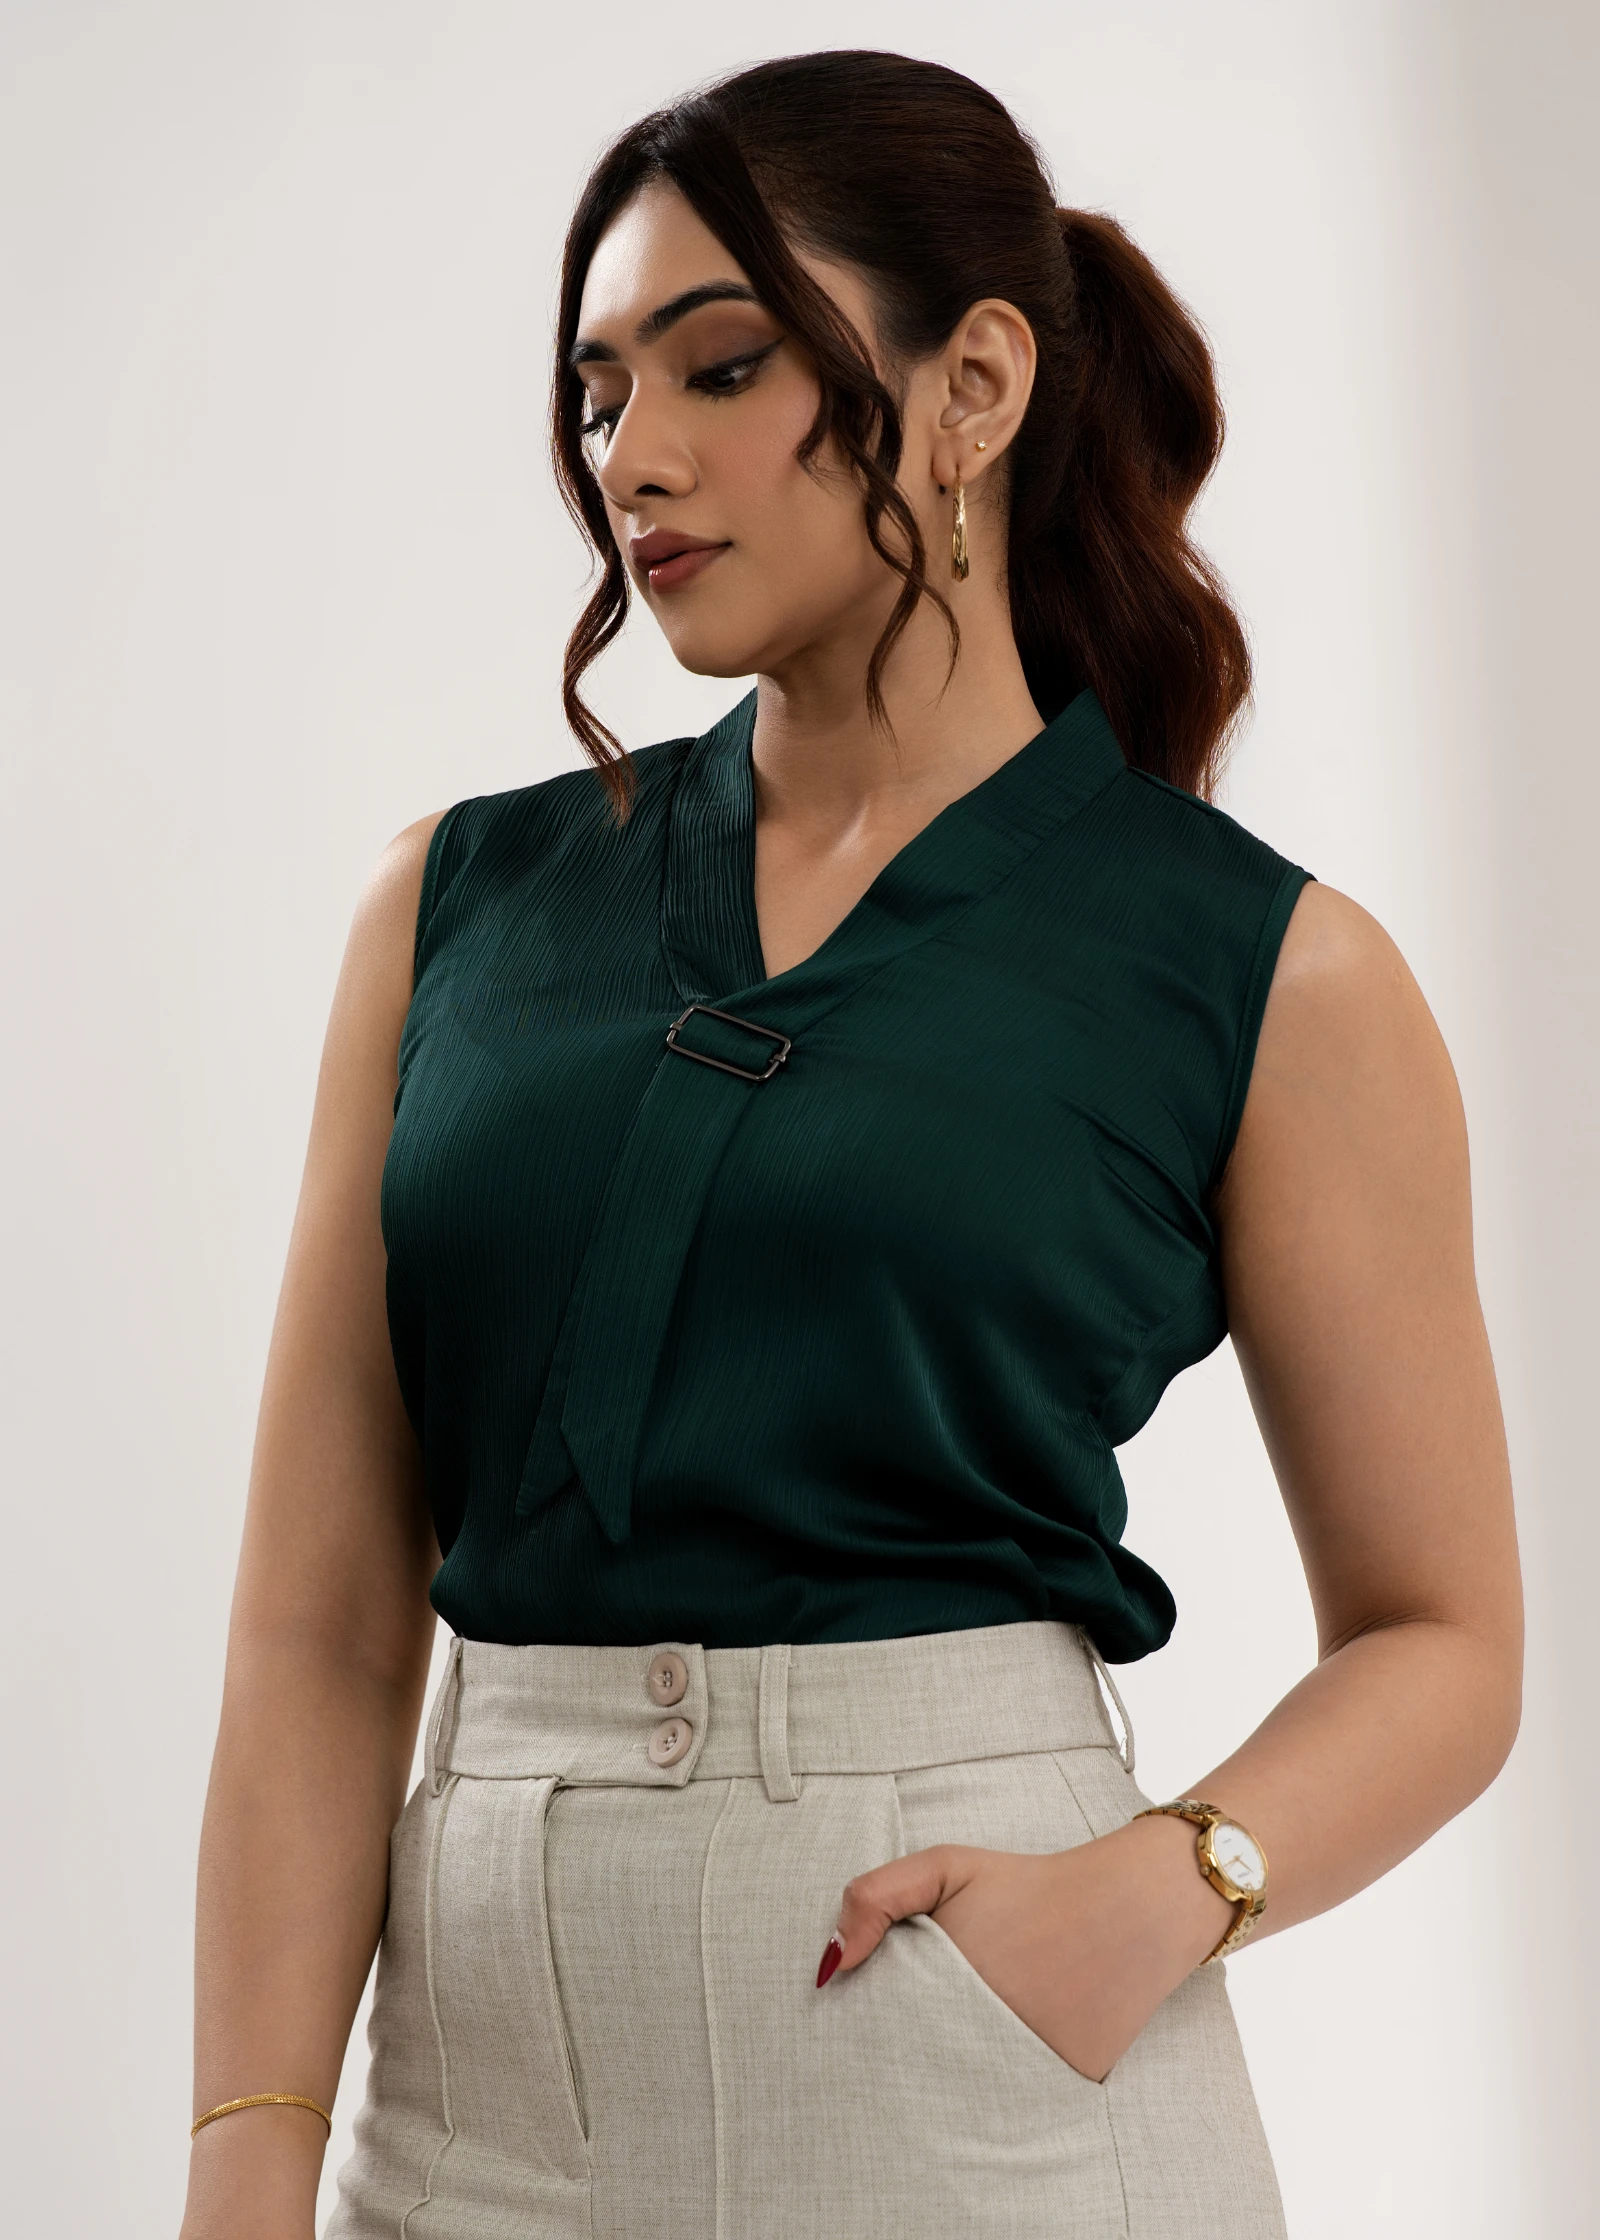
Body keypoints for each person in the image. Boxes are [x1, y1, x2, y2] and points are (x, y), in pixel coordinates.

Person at [178, 49, 1522, 2240]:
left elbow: (1441, 1636)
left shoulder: (1267, 973)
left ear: (971, 385)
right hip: (475, 2106)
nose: (634, 454)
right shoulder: (451, 910)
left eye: (721, 368)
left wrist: (1166, 1884)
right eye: (599, 393)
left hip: (972, 2061)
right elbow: (320, 1636)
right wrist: (245, 2153)